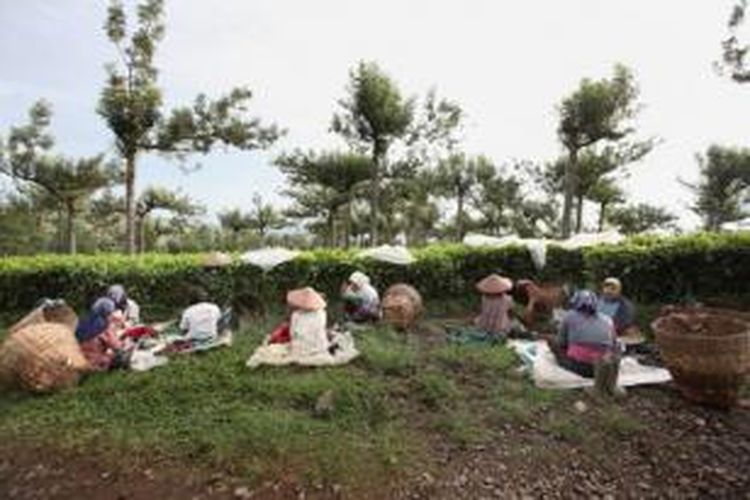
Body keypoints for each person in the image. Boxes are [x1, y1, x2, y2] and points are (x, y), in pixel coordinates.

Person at [550, 290, 618, 379]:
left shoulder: (569, 316)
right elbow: (614, 345)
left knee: (555, 346)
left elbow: (561, 343)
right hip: (604, 368)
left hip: (581, 368)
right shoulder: (608, 319)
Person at [75, 297, 130, 371]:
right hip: (96, 361)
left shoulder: (83, 321)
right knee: (122, 356)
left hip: (80, 358)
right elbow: (116, 346)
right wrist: (125, 342)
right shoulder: (103, 326)